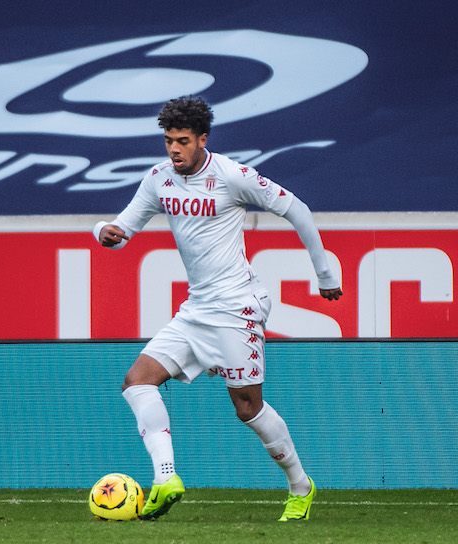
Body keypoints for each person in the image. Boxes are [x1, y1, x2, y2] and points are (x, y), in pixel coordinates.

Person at [94, 96, 342, 521]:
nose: (174, 149)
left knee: (247, 408)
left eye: (183, 141)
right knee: (137, 382)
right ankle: (165, 478)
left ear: (202, 139)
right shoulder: (159, 179)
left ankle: (301, 486)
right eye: (169, 141)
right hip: (196, 309)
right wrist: (103, 231)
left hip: (237, 307)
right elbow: (121, 228)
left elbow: (297, 209)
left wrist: (324, 275)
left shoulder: (232, 176)